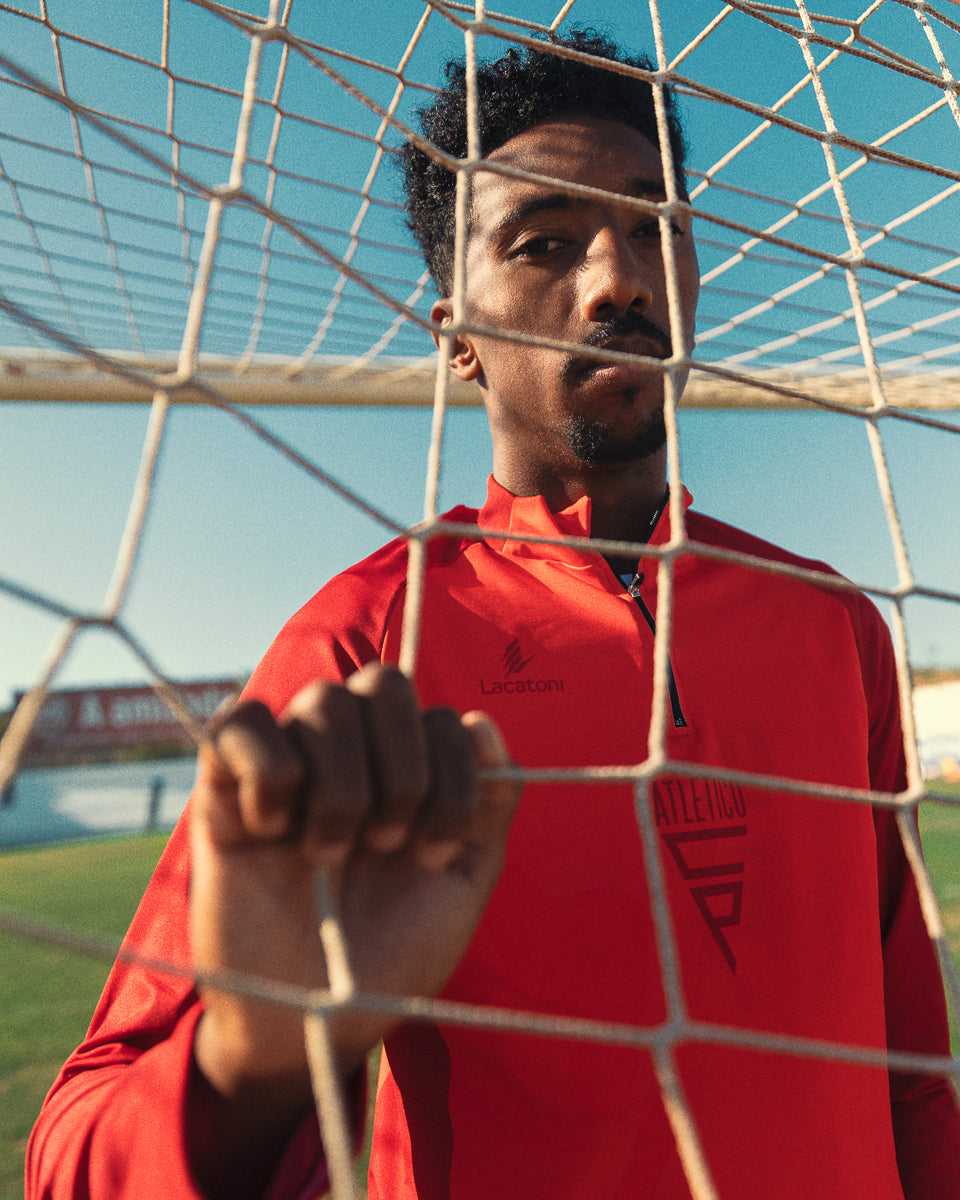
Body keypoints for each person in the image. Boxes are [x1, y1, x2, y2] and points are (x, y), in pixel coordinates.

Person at [27, 31, 960, 1200]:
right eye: (546, 244)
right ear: (456, 338)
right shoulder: (369, 648)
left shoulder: (836, 625)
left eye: (650, 225)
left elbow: (912, 1063)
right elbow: (75, 1148)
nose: (620, 278)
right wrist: (256, 1060)